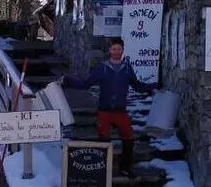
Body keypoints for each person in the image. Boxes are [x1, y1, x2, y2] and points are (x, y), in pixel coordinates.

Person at [59, 37, 156, 177]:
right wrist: (67, 81)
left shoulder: (127, 68)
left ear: (123, 51)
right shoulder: (102, 68)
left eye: (119, 49)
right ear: (110, 50)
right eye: (114, 49)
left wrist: (154, 86)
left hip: (120, 111)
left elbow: (138, 86)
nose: (116, 52)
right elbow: (85, 84)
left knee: (128, 138)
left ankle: (125, 168)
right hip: (104, 111)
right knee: (104, 141)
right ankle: (102, 170)